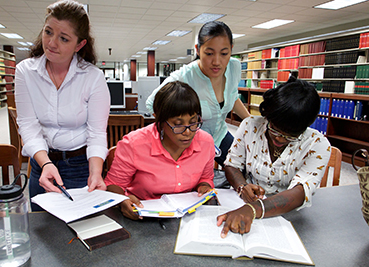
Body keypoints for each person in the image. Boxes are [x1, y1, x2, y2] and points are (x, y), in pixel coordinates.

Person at [15, 0, 109, 210]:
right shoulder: (25, 71)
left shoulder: (93, 77)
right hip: (42, 164)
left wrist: (96, 173)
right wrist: (45, 163)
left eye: (63, 38)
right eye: (48, 32)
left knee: (79, 228)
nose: (51, 43)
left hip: (79, 165)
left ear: (79, 45)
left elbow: (96, 133)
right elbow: (28, 126)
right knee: (43, 231)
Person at [217, 77, 331, 236]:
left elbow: (301, 192)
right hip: (241, 205)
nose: (279, 138)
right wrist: (242, 187)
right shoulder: (250, 126)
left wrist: (253, 209)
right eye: (274, 129)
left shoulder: (317, 144)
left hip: (289, 217)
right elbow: (231, 165)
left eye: (290, 136)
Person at [105, 81, 215, 220]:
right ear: (161, 121)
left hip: (188, 217)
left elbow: (205, 178)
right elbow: (113, 185)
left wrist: (204, 186)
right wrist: (122, 201)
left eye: (193, 122)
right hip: (144, 216)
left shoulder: (206, 142)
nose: (188, 132)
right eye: (178, 124)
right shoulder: (134, 144)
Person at [146, 21, 250, 167]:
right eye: (209, 53)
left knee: (244, 168)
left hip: (220, 135)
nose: (217, 61)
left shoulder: (234, 66)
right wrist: (180, 131)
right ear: (198, 49)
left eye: (224, 53)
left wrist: (251, 121)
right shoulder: (184, 76)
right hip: (192, 141)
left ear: (231, 50)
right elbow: (151, 104)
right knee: (195, 183)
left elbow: (232, 96)